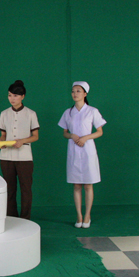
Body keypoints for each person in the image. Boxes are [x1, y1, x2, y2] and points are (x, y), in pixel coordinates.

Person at [58, 81, 106, 228]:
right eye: (73, 91)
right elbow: (64, 133)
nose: (75, 94)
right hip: (73, 150)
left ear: (85, 93)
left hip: (87, 150)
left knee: (88, 185)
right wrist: (71, 136)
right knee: (77, 185)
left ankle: (87, 215)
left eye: (78, 91)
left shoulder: (92, 111)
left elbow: (100, 131)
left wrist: (85, 138)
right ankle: (79, 215)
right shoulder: (68, 112)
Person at [0, 80, 39, 220]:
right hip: (6, 156)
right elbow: (3, 134)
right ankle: (11, 218)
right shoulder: (4, 113)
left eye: (15, 95)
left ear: (23, 96)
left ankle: (25, 218)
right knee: (9, 189)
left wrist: (22, 141)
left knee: (26, 189)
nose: (12, 98)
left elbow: (35, 136)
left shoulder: (31, 114)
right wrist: (2, 142)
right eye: (10, 95)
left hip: (24, 157)